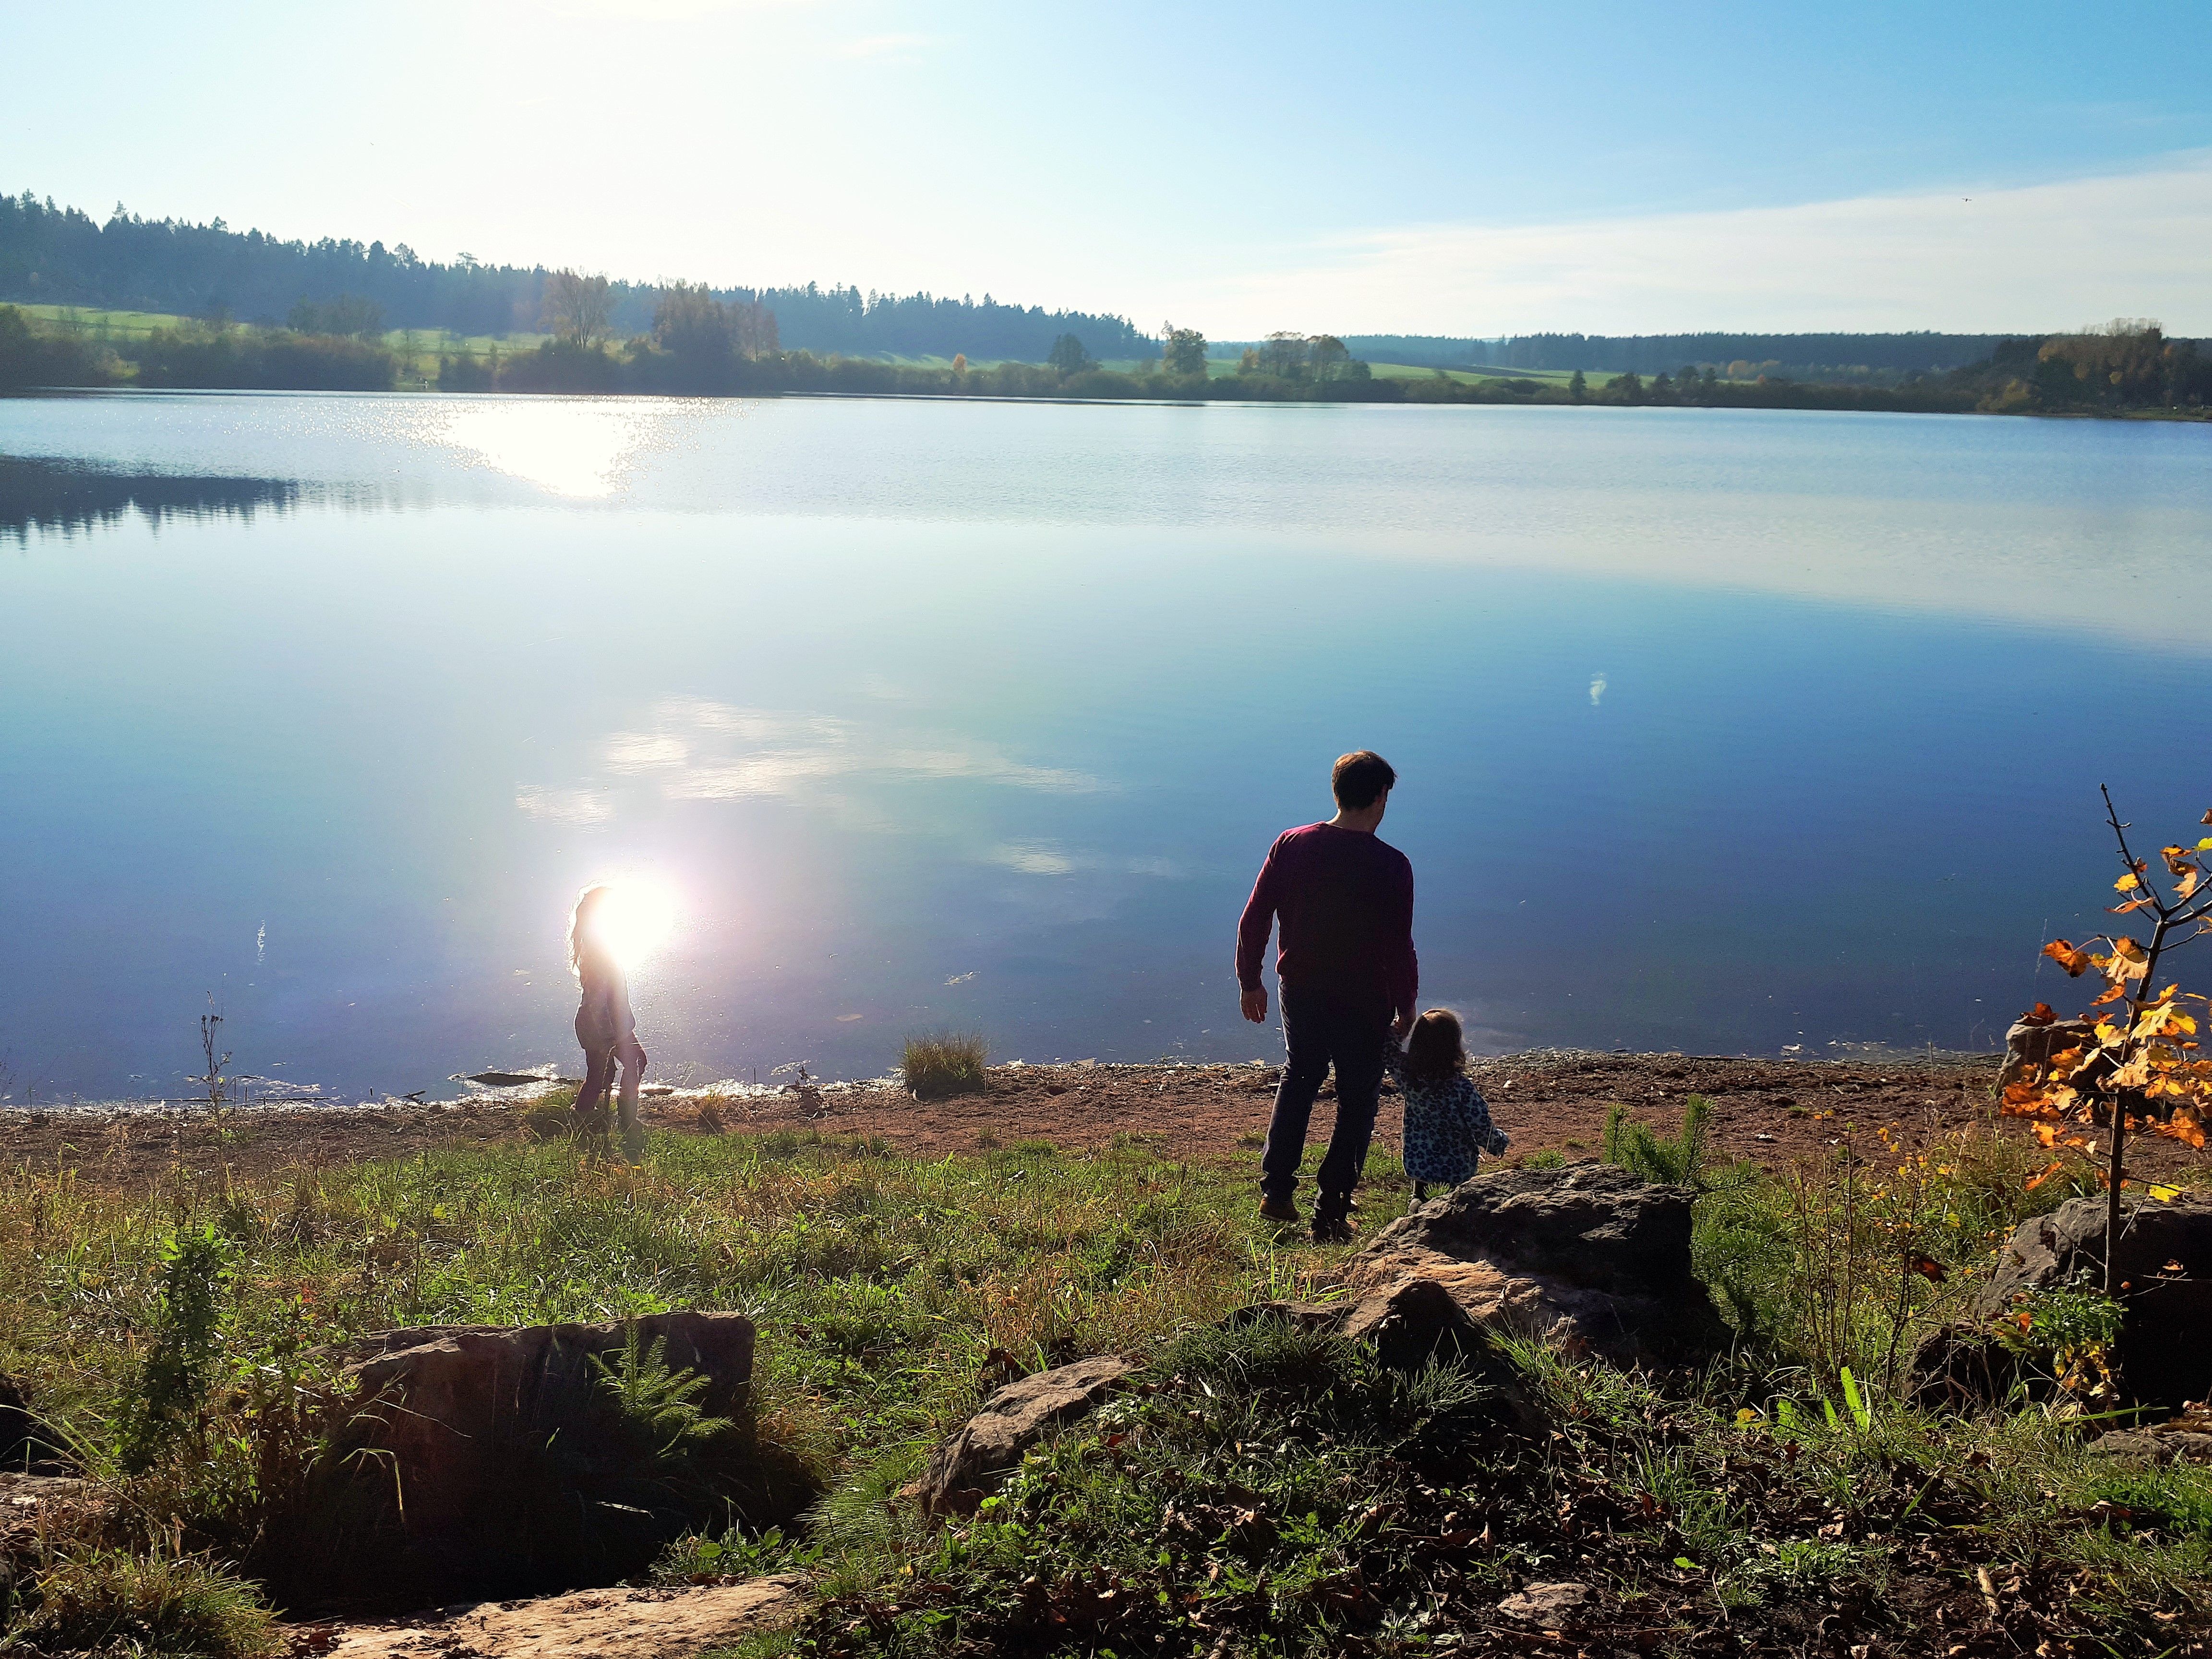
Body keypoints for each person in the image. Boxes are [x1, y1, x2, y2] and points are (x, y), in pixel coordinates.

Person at [1237, 750, 1417, 1243]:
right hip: (1367, 997)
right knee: (1359, 1097)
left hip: (1302, 986)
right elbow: (1399, 945)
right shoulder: (1393, 866)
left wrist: (1249, 980)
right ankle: (1332, 1209)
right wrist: (1407, 1006)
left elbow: (1255, 917)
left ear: (1336, 792)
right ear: (1380, 797)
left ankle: (1277, 1191)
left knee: (1301, 1075)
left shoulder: (1292, 844)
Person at [1387, 1008, 1507, 1209]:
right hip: (1456, 1170)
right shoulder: (1461, 1088)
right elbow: (1481, 1127)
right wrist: (1498, 1143)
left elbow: (1389, 1052)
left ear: (1416, 1044)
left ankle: (1418, 1204)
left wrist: (1399, 1029)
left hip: (1420, 1165)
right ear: (1454, 1047)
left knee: (1422, 1200)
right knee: (1454, 1207)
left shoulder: (1409, 1078)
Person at [569, 883, 648, 1152]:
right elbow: (606, 997)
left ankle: (585, 1123)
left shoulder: (593, 944)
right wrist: (617, 1033)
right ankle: (625, 1122)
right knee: (634, 1062)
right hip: (606, 1025)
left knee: (601, 1076)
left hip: (598, 1024)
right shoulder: (600, 948)